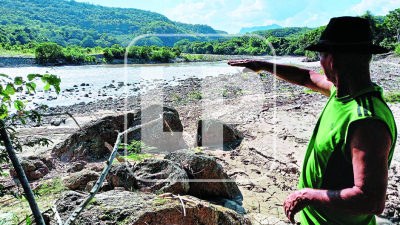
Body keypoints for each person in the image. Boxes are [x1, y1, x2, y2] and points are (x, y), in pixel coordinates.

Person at [228, 16, 397, 225]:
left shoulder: (366, 122)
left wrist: (307, 195)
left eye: (320, 55)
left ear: (332, 60)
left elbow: (370, 200)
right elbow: (306, 77)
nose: (319, 61)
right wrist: (262, 65)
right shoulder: (340, 92)